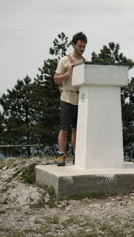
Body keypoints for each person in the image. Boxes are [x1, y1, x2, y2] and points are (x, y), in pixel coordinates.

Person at [53, 32, 88, 166]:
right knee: (64, 128)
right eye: (80, 46)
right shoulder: (64, 60)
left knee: (77, 129)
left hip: (81, 99)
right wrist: (68, 73)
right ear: (73, 45)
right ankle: (61, 155)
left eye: (84, 46)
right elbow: (56, 79)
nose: (82, 49)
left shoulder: (86, 62)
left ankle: (76, 155)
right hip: (67, 97)